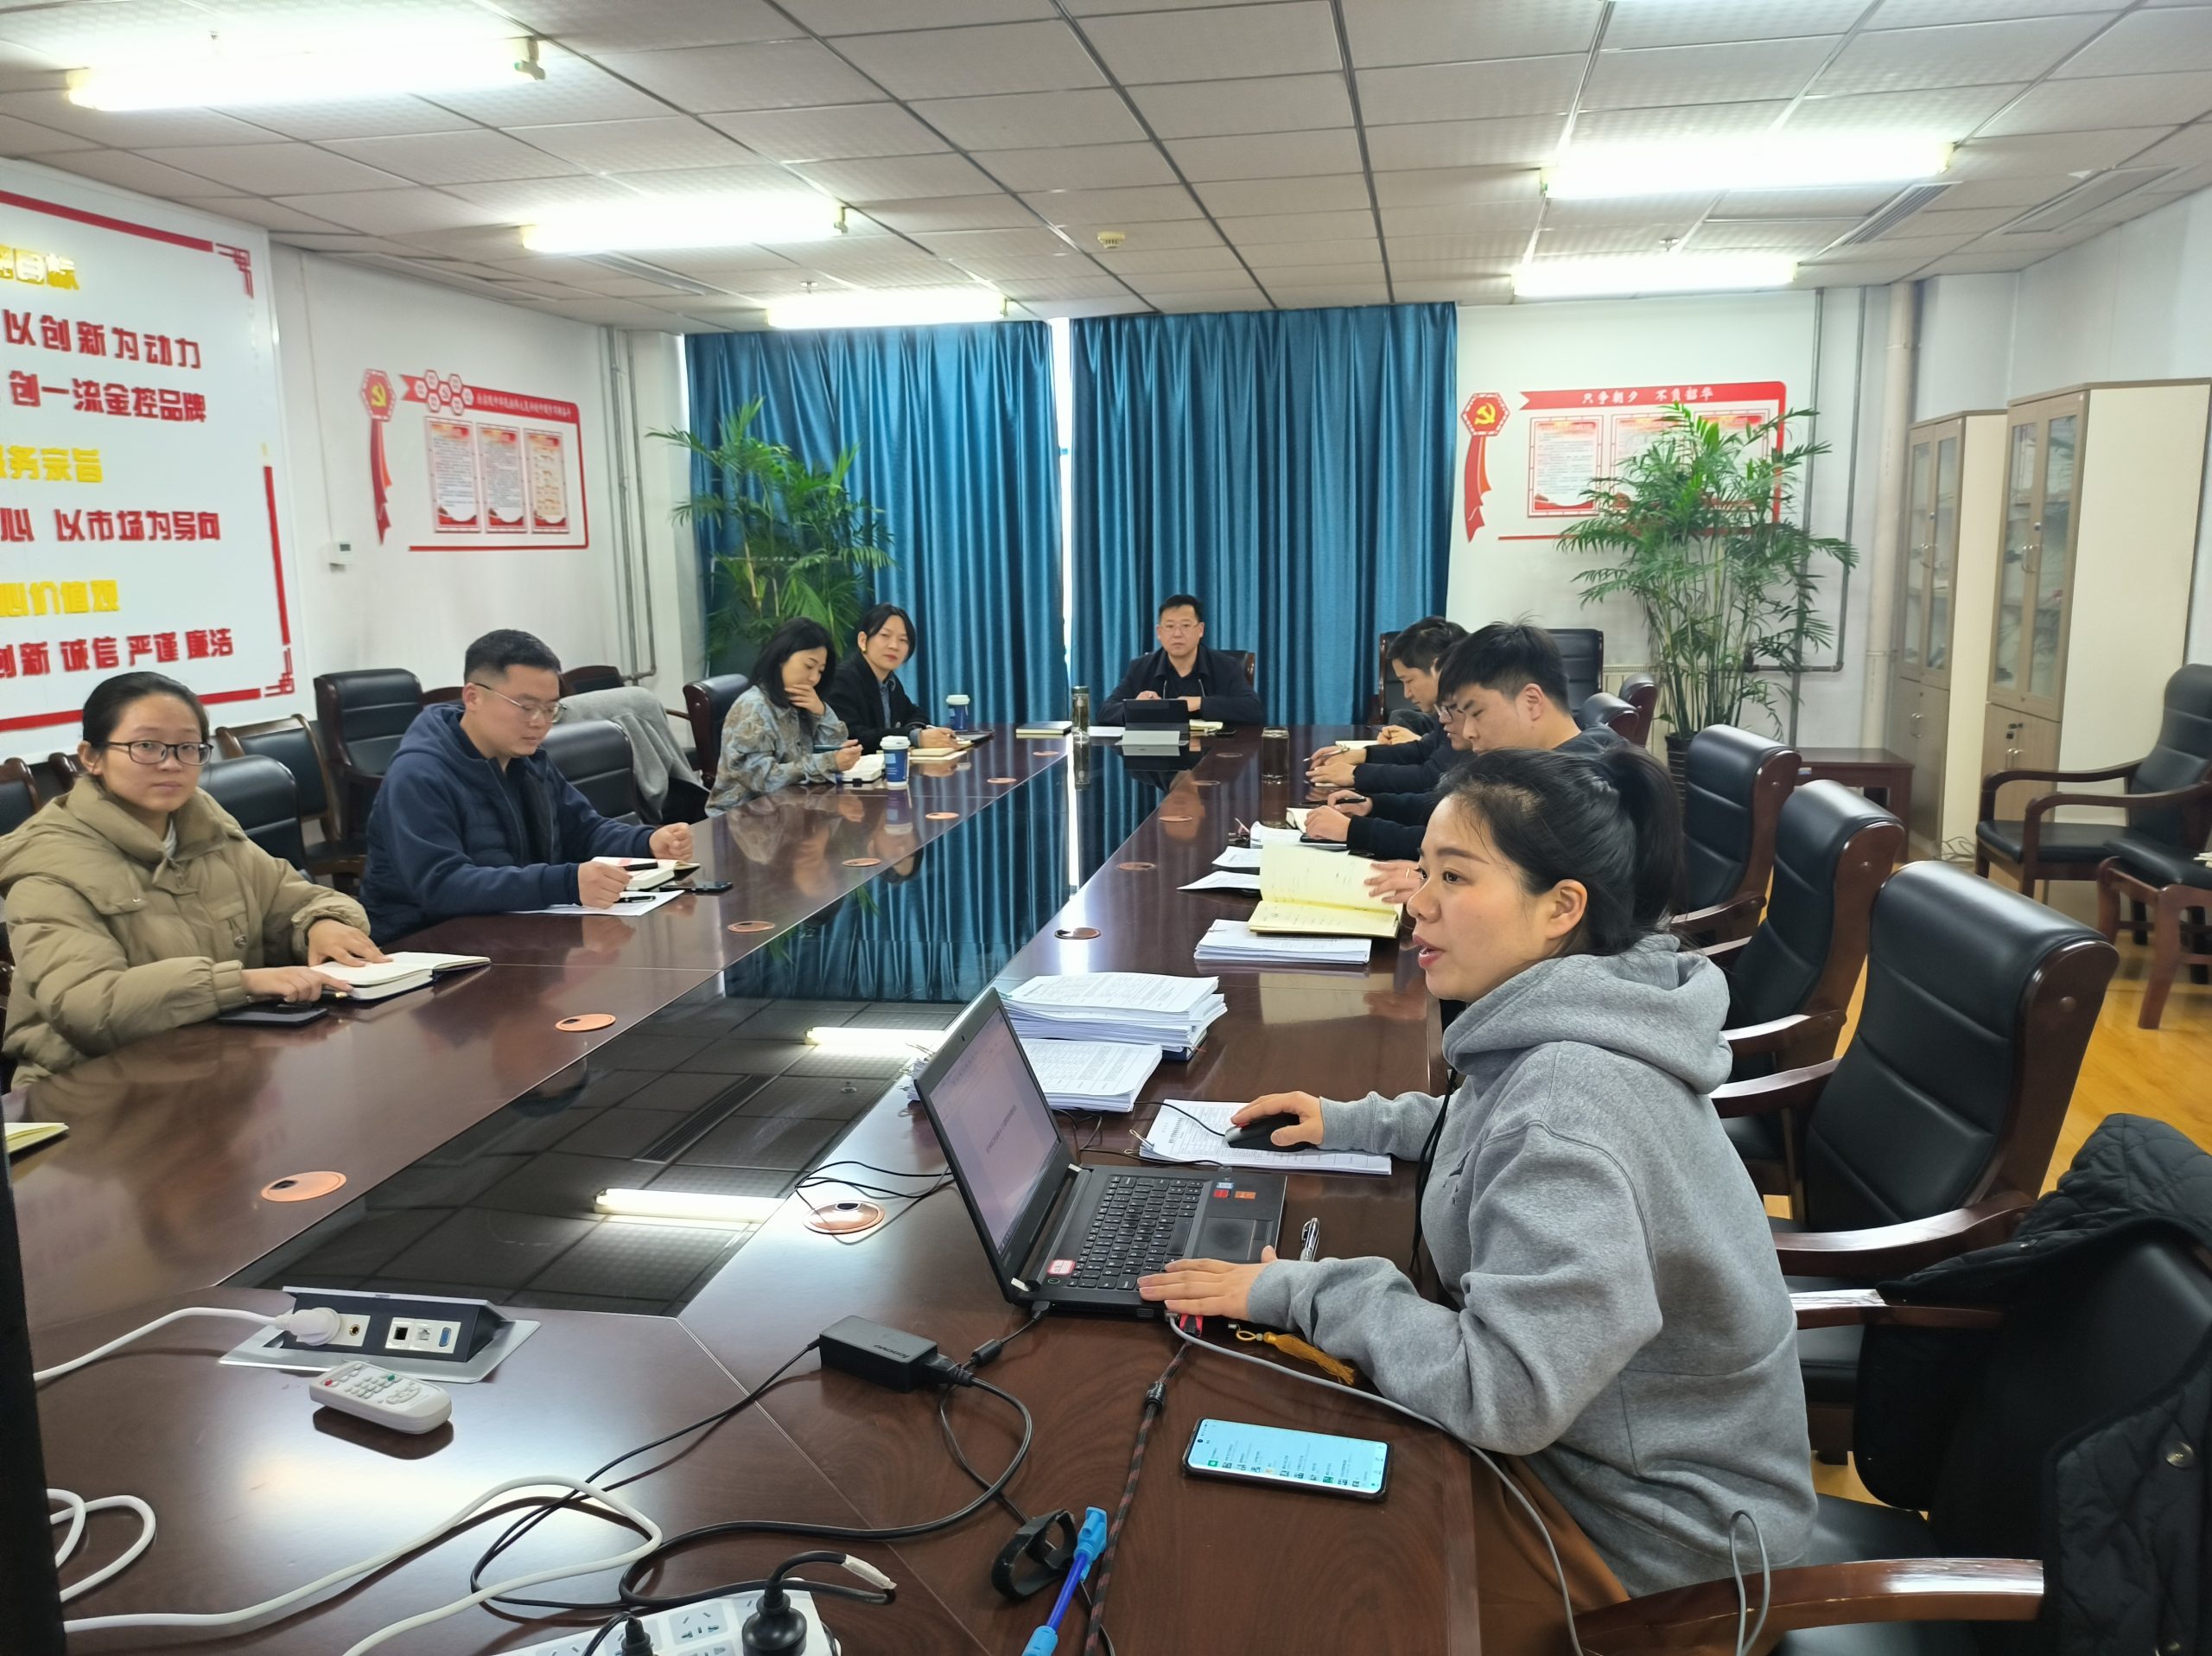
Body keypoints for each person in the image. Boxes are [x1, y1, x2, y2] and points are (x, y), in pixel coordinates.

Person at [1141, 746, 1815, 1621]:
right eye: (1424, 871)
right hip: (1600, 1472)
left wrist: (1300, 1291)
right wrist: (1354, 1121)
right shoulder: (1590, 1008)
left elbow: (1502, 1392)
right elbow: (1490, 1117)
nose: (1418, 901)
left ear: (1561, 907)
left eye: (1454, 877)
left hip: (1658, 1561)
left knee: (1268, 1568)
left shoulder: (1569, 1100)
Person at [0, 671, 386, 1082]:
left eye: (188, 748)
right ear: (91, 757)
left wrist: (321, 924)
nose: (171, 764)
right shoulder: (49, 865)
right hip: (89, 1085)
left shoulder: (206, 830)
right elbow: (88, 1006)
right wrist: (241, 983)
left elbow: (296, 899)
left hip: (216, 1062)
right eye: (146, 746)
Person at [360, 629, 692, 939]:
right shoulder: (418, 774)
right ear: (473, 697)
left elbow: (582, 830)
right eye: (526, 707)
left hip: (513, 929)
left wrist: (646, 842)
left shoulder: (528, 759)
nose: (539, 723)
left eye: (550, 709)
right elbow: (442, 886)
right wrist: (565, 883)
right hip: (427, 946)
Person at [1305, 621, 1621, 871]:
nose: (1467, 732)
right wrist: (1376, 806)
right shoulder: (1533, 763)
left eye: (1476, 713)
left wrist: (1435, 880)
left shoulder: (1574, 788)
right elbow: (1460, 816)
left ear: (1531, 701)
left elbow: (1479, 857)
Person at [708, 618, 864, 813]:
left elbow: (835, 753)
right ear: (782, 657)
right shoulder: (753, 707)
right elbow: (760, 778)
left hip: (791, 809)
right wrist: (828, 762)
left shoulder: (801, 703)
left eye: (820, 671)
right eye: (809, 666)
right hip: (742, 817)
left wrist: (822, 713)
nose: (814, 678)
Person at [1307, 617, 1467, 793]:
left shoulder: (1466, 715)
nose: (1406, 694)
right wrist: (1362, 755)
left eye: (1409, 680)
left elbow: (1431, 777)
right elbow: (1424, 749)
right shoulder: (1448, 709)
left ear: (1438, 668)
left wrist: (1356, 774)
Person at [1098, 595, 1264, 725]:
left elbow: (1254, 710)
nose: (1177, 634)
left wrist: (1200, 703)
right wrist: (1135, 707)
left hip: (1212, 752)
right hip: (1158, 754)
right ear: (1159, 632)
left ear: (1200, 630)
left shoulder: (1225, 666)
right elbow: (1105, 711)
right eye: (1170, 626)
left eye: (1185, 626)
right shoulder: (1141, 667)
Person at [823, 603, 959, 755]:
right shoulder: (841, 679)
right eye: (885, 636)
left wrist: (916, 731)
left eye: (903, 640)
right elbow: (853, 737)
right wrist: (914, 737)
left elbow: (915, 713)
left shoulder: (890, 682)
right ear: (863, 640)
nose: (894, 646)